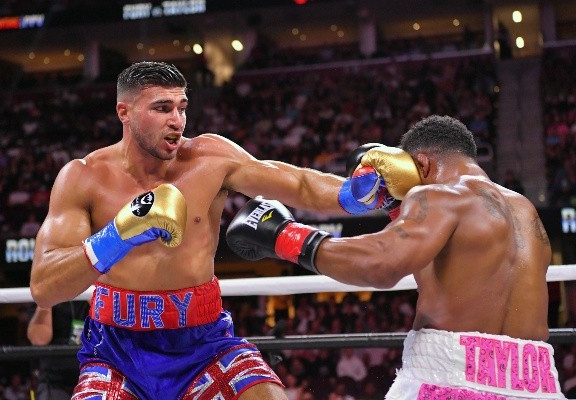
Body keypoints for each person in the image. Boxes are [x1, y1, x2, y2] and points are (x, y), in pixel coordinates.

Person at [29, 61, 370, 399]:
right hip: (116, 352)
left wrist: (358, 194)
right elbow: (45, 287)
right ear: (124, 112)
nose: (176, 120)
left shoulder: (210, 158)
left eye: (182, 107)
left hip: (205, 344)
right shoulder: (83, 177)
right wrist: (117, 236)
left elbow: (299, 184)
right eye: (162, 108)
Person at [227, 115, 565, 399]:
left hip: (451, 380)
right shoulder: (525, 211)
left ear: (422, 163)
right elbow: (460, 275)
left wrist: (285, 236)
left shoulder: (439, 195)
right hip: (539, 385)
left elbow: (381, 263)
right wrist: (396, 211)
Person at [27, 301, 90, 400]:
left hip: (95, 377)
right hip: (54, 380)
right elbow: (39, 339)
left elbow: (110, 333)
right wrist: (46, 301)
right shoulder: (43, 295)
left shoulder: (97, 294)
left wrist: (97, 300)